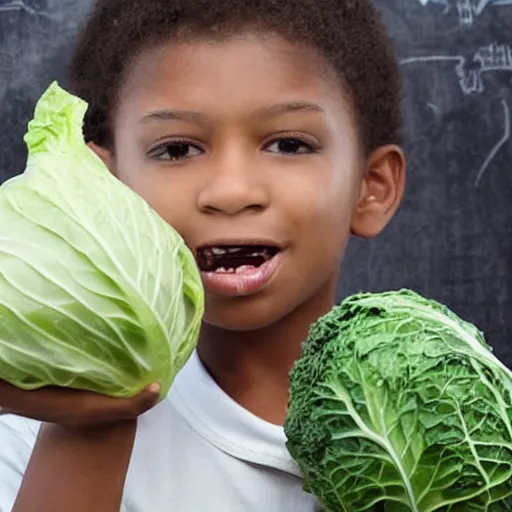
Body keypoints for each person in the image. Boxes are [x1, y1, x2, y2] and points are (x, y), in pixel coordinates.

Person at [0, 0, 406, 510]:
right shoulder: (23, 449)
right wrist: (97, 414)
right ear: (105, 184)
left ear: (371, 188)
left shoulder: (472, 433)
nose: (231, 192)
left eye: (288, 144)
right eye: (176, 150)